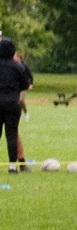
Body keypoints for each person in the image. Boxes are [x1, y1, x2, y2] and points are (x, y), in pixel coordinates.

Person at [0, 37, 30, 168]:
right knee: (11, 135)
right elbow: (25, 85)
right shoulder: (18, 67)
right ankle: (12, 166)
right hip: (12, 103)